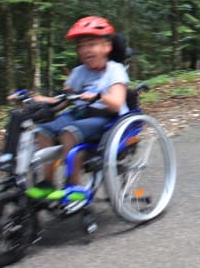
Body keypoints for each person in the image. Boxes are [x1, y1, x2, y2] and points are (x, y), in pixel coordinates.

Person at [26, 16, 130, 199]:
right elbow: (63, 101)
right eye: (81, 46)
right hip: (79, 114)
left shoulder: (115, 70)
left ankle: (74, 186)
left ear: (107, 47)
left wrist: (99, 96)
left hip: (106, 118)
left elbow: (117, 104)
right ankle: (48, 182)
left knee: (69, 132)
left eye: (91, 44)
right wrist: (35, 99)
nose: (85, 50)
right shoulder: (78, 72)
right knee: (42, 132)